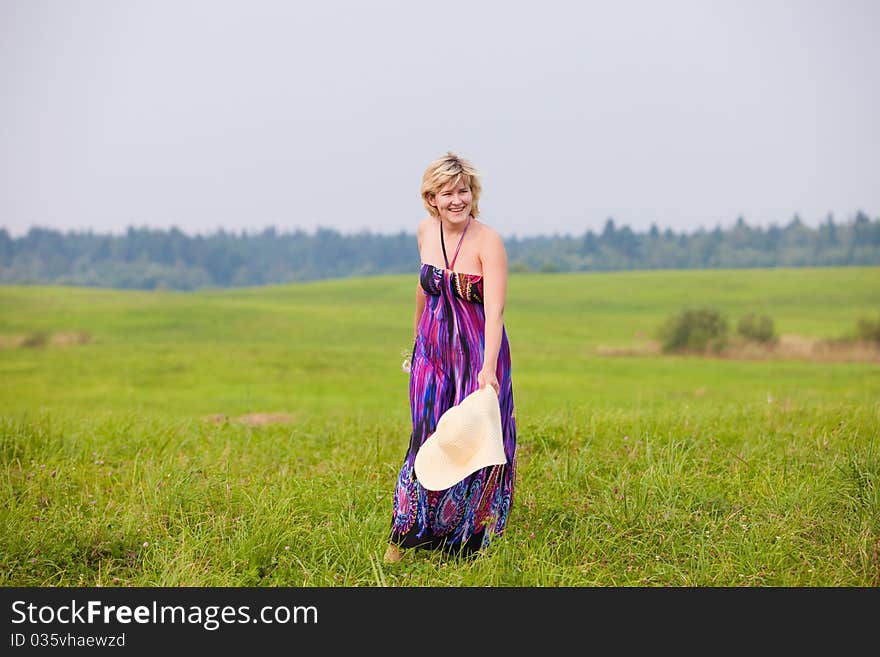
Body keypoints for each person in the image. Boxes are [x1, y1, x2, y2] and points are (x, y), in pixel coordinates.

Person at [384, 151, 517, 562]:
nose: (456, 199)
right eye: (447, 192)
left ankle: (466, 542)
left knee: (473, 438)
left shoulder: (488, 240)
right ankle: (405, 535)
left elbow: (494, 309)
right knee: (425, 437)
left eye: (463, 190)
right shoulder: (425, 232)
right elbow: (424, 289)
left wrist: (488, 369)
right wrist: (416, 341)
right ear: (432, 198)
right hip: (432, 351)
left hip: (476, 352)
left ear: (472, 194)